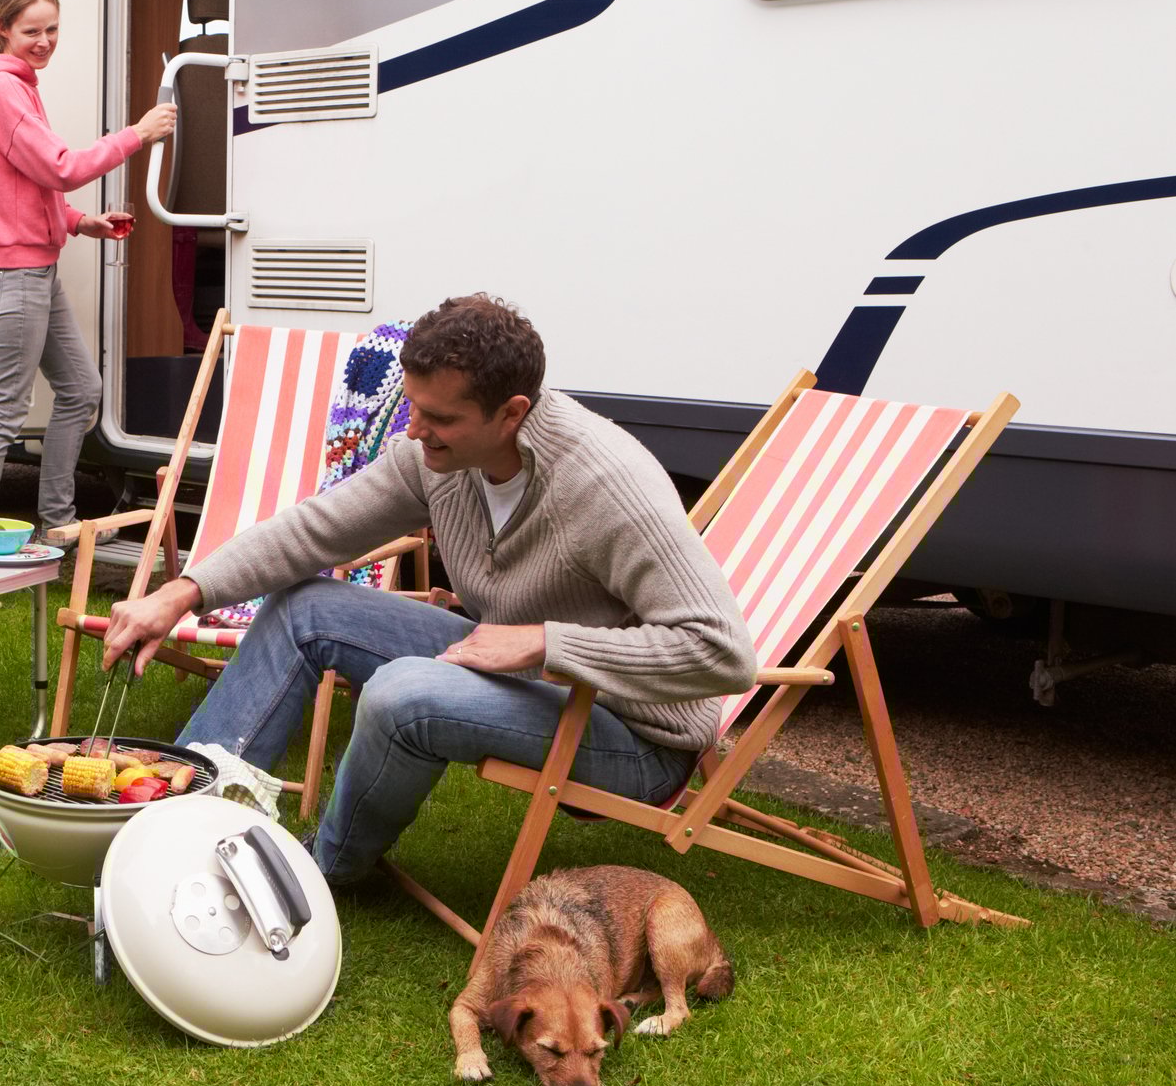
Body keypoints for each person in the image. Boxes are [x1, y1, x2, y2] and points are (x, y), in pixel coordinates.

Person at [98, 294, 756, 882]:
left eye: (437, 416)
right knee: (304, 606)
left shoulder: (606, 485)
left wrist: (542, 642)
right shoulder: (436, 457)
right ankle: (181, 822)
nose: (412, 430)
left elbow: (723, 655)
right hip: (534, 680)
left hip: (635, 735)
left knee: (401, 692)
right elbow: (315, 530)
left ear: (511, 413)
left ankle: (322, 870)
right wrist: (182, 591)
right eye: (412, 406)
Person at [0, 0, 178, 533]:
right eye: (32, 30)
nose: (45, 40)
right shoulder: (3, 90)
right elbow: (60, 167)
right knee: (1, 413)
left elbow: (22, 188)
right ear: (3, 29)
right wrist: (138, 134)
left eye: (53, 29)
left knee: (81, 391)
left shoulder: (19, 85)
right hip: (14, 279)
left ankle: (57, 529)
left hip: (34, 273)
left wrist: (79, 222)